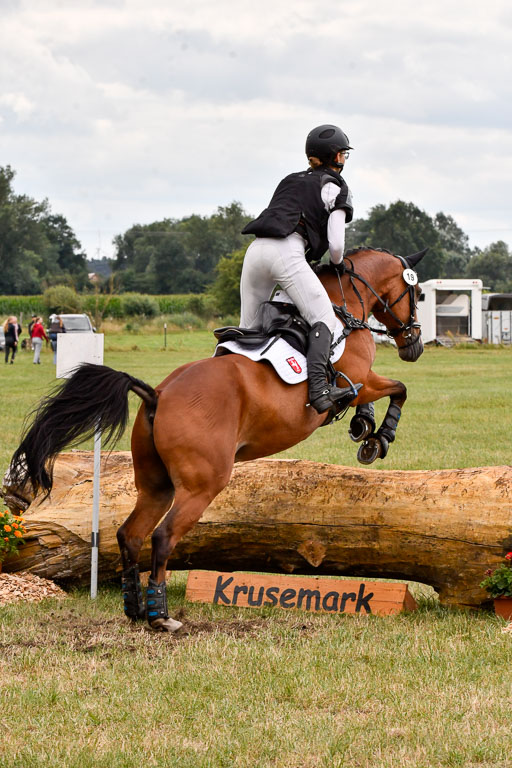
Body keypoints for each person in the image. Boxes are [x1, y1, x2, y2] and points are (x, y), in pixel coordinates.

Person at [240, 124, 362, 414]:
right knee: (324, 317)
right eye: (343, 154)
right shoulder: (335, 185)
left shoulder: (289, 180)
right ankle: (319, 390)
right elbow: (335, 247)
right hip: (287, 251)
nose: (344, 159)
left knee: (247, 329)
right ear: (334, 156)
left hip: (255, 253)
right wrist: (337, 266)